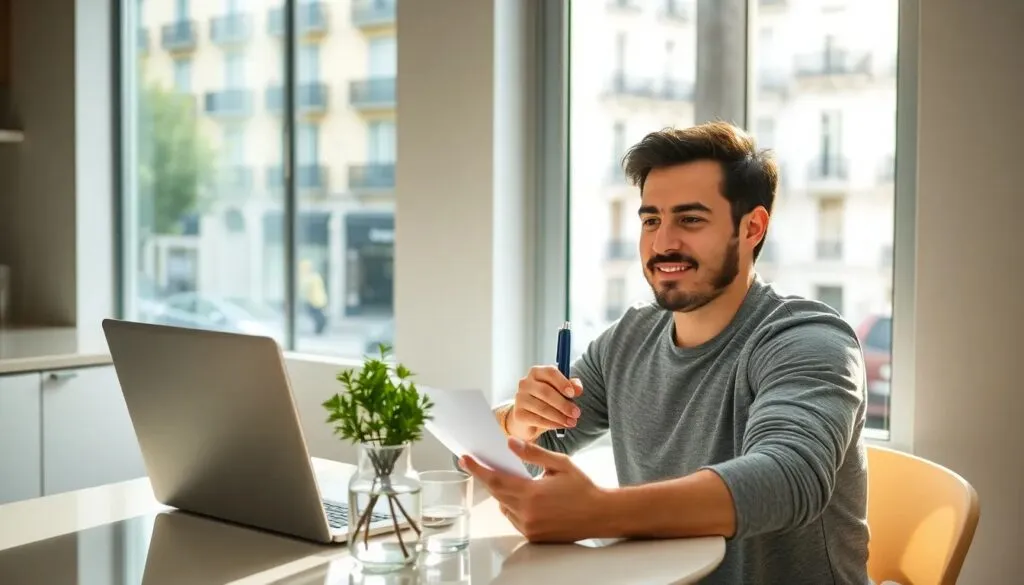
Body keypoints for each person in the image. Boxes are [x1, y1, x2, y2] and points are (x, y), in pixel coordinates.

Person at [458, 121, 869, 584]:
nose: (662, 243)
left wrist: (597, 513)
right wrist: (520, 420)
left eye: (690, 219)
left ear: (752, 227)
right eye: (651, 219)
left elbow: (789, 478)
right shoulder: (630, 338)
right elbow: (524, 452)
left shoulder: (809, 339)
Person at [299, 259, 329, 335]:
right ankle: (318, 330)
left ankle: (319, 330)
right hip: (315, 300)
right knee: (318, 316)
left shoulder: (312, 277)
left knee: (318, 316)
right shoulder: (313, 277)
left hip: (316, 300)